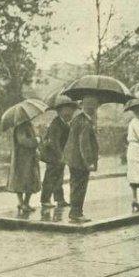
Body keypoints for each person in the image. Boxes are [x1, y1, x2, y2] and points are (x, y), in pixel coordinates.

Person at [62, 95, 99, 223]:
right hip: (80, 161)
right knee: (80, 186)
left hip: (73, 159)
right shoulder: (85, 123)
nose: (95, 109)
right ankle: (76, 213)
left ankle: (75, 211)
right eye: (94, 107)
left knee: (75, 185)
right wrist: (89, 162)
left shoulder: (78, 119)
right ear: (91, 108)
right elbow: (85, 145)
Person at [39, 96, 77, 208]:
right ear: (60, 111)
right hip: (53, 156)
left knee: (58, 178)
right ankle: (45, 200)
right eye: (67, 109)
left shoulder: (65, 123)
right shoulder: (56, 124)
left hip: (60, 155)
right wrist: (60, 155)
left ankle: (59, 200)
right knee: (50, 177)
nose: (70, 112)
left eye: (71, 109)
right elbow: (54, 142)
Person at [6, 120, 41, 212]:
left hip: (30, 158)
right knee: (21, 181)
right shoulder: (20, 126)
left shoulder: (28, 124)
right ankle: (22, 203)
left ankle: (25, 203)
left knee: (31, 180)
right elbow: (22, 140)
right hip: (22, 159)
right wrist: (35, 141)